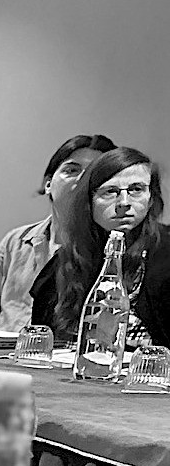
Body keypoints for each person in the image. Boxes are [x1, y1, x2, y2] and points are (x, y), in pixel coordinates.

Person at [0, 133, 116, 331]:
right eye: (72, 170)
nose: (82, 178)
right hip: (3, 347)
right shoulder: (16, 241)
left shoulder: (112, 250)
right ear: (48, 183)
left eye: (93, 173)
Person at [52, 145, 169, 349]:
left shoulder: (166, 253)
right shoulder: (68, 257)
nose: (124, 202)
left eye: (136, 190)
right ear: (89, 201)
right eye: (110, 192)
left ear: (151, 199)